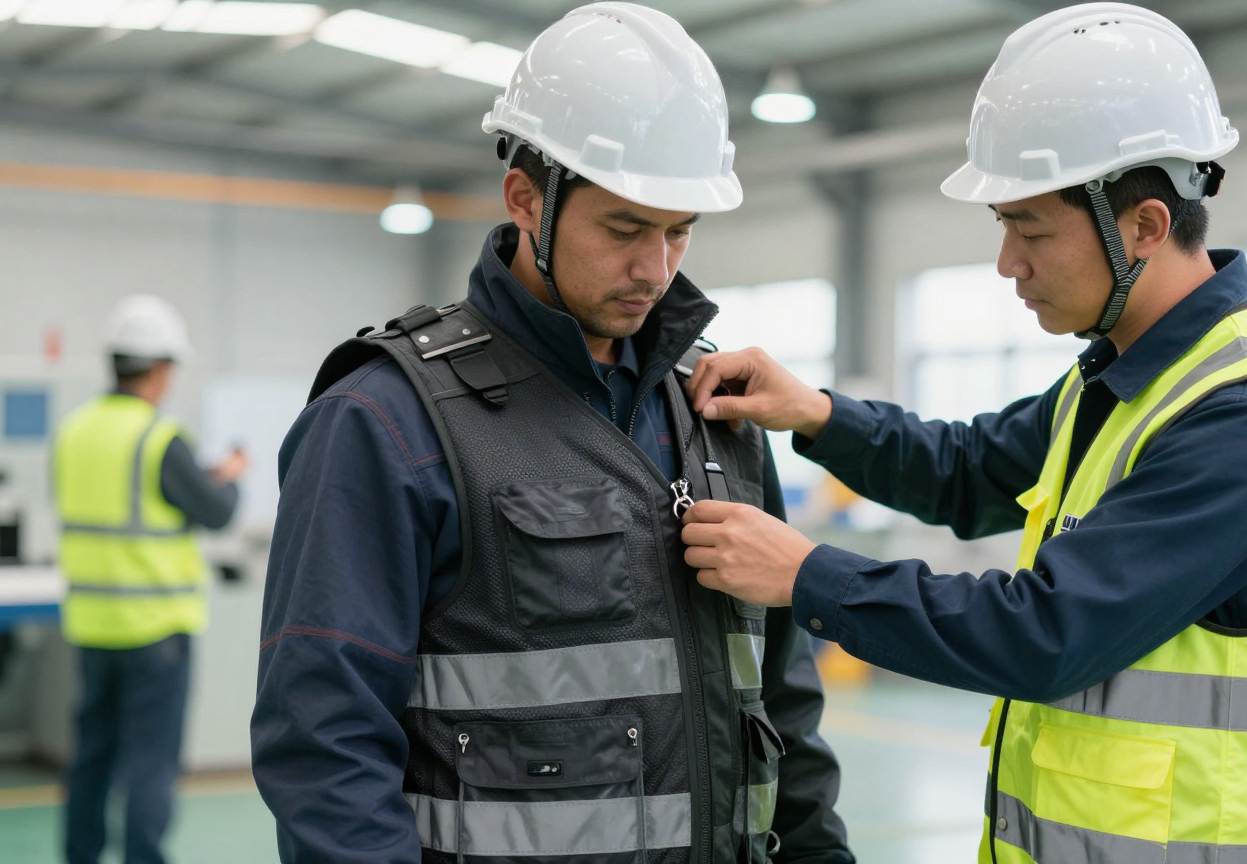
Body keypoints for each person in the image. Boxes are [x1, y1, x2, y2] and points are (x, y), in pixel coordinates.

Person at [679, 5, 1247, 864]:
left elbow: (1047, 633)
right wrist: (817, 412)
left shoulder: (1244, 420)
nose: (1008, 262)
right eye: (1004, 225)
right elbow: (969, 470)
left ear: (1146, 226)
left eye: (1030, 229)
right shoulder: (1119, 381)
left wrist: (807, 575)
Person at [250, 5, 851, 863]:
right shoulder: (385, 423)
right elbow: (324, 744)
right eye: (624, 228)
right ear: (527, 199)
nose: (655, 268)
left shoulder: (716, 413)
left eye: (679, 231)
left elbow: (782, 708)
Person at [54, 293, 247, 864]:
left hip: (92, 626)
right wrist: (231, 478)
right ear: (160, 368)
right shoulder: (159, 438)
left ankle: (80, 855)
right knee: (150, 760)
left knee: (92, 754)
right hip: (156, 629)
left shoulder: (73, 432)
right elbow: (215, 511)